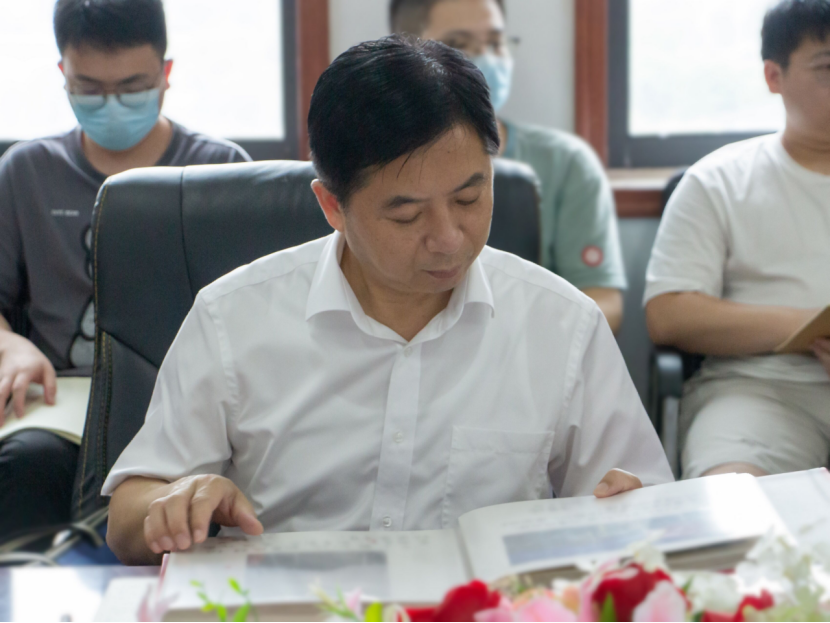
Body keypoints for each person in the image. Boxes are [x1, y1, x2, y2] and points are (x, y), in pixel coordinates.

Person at [103, 36, 672, 566]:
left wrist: (634, 511)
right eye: (406, 215)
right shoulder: (233, 317)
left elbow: (646, 507)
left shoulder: (561, 324)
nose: (448, 237)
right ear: (332, 206)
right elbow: (125, 521)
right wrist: (177, 502)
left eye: (469, 199)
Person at [0, 0, 250, 542]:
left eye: (132, 87)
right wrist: (10, 345)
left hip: (184, 402)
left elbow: (255, 310)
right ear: (63, 73)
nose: (112, 103)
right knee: (25, 464)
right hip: (64, 400)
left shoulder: (219, 170)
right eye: (89, 88)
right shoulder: (26, 171)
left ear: (165, 74)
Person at [645, 0, 830, 479]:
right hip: (760, 390)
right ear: (774, 76)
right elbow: (669, 314)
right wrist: (810, 326)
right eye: (827, 68)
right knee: (731, 499)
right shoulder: (719, 179)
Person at [390, 0, 627, 333]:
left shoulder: (566, 162)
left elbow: (603, 304)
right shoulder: (366, 168)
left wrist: (511, 346)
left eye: (495, 42)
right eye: (458, 44)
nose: (485, 59)